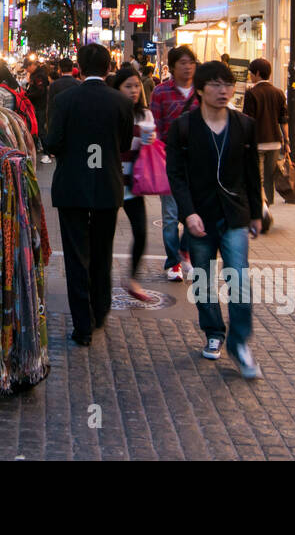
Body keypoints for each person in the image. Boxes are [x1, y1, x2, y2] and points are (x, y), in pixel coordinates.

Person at [164, 60, 264, 378]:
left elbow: (252, 173)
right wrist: (188, 212)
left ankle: (239, 343)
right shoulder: (183, 127)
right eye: (216, 85)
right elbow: (176, 176)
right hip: (200, 216)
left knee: (239, 278)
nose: (224, 91)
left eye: (228, 85)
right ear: (201, 89)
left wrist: (257, 214)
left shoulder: (244, 125)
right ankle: (213, 332)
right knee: (204, 280)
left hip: (234, 214)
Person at [47, 43, 134, 346]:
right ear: (109, 68)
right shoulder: (121, 102)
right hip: (107, 185)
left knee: (75, 255)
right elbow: (124, 143)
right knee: (102, 251)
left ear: (79, 69)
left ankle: (82, 326)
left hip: (72, 185)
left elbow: (52, 142)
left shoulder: (64, 99)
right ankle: (100, 310)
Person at [150, 45, 199, 280]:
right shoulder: (160, 92)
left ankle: (184, 250)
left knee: (197, 210)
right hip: (169, 161)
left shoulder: (202, 92)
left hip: (198, 163)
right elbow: (156, 128)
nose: (188, 66)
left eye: (191, 62)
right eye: (183, 62)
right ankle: (173, 263)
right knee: (170, 216)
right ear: (172, 67)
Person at [110, 66, 155, 302]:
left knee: (141, 233)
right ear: (117, 88)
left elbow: (148, 147)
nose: (134, 90)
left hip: (134, 185)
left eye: (136, 86)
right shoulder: (109, 112)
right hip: (111, 182)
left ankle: (132, 279)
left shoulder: (145, 115)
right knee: (102, 235)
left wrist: (151, 142)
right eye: (128, 86)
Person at [242, 58, 289, 209]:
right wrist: (286, 141)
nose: (250, 76)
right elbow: (284, 120)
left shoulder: (252, 94)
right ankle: (267, 205)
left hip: (257, 142)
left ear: (257, 73)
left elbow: (247, 120)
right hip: (275, 141)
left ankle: (261, 207)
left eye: (251, 73)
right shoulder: (279, 93)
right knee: (269, 177)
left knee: (257, 178)